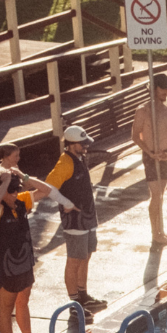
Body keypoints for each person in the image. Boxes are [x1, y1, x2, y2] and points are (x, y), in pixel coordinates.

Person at [0, 156, 45, 333]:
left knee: (23, 301)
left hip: (25, 263)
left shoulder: (20, 202)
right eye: (11, 191)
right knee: (6, 308)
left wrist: (22, 176)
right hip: (9, 267)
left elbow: (46, 190)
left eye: (16, 190)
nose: (15, 194)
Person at [45, 124, 106, 311]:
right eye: (82, 144)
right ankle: (74, 304)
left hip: (88, 217)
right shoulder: (65, 163)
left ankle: (83, 295)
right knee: (74, 259)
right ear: (71, 145)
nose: (85, 146)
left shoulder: (80, 157)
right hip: (74, 221)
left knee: (86, 256)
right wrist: (65, 202)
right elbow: (48, 187)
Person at [128, 74, 167, 248]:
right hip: (150, 156)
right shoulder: (142, 111)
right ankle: (154, 233)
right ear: (153, 89)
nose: (165, 91)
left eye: (166, 88)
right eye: (161, 88)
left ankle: (160, 230)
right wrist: (150, 152)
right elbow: (135, 136)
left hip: (165, 156)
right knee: (155, 195)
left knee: (160, 196)